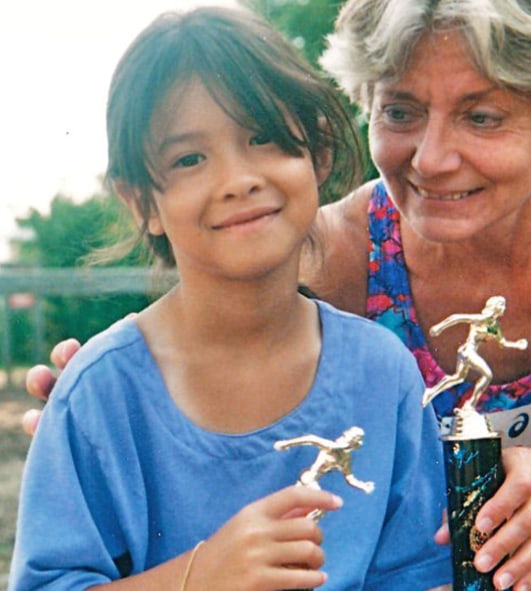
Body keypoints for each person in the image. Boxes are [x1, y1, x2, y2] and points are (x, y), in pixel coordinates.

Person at [24, 1, 531, 590]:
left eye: (481, 115)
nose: (431, 159)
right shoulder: (331, 251)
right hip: (463, 558)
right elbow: (217, 325)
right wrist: (103, 385)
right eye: (399, 112)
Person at [10, 7, 452, 591]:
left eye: (263, 137)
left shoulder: (382, 372)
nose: (238, 178)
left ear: (317, 153)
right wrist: (201, 575)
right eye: (189, 158)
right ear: (141, 200)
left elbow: (421, 576)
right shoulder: (100, 393)